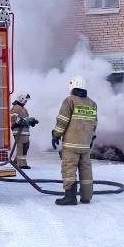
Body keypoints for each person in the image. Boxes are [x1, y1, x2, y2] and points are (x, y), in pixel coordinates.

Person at [51, 75, 97, 205]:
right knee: (86, 169)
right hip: (85, 144)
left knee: (69, 169)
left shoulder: (69, 101)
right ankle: (86, 197)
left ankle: (70, 197)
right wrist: (91, 138)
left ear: (72, 86)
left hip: (71, 144)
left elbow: (62, 121)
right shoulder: (92, 103)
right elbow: (94, 124)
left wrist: (55, 135)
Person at [11, 92, 38, 169]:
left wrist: (31, 121)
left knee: (25, 146)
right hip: (19, 131)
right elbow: (14, 118)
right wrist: (26, 121)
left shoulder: (23, 108)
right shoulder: (16, 107)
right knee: (22, 146)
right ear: (22, 99)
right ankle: (22, 164)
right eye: (25, 100)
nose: (26, 102)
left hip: (24, 131)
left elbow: (25, 119)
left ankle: (16, 160)